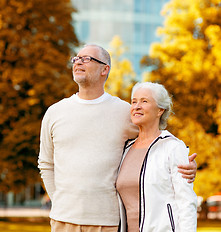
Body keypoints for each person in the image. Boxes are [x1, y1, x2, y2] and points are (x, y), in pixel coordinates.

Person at [38, 44, 197, 232]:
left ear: (105, 69)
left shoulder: (124, 112)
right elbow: (46, 164)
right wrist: (60, 201)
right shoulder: (55, 112)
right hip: (62, 220)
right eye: (76, 58)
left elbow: (154, 140)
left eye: (87, 58)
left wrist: (183, 166)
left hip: (108, 222)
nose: (78, 62)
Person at [116, 82, 197, 232]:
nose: (136, 106)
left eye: (144, 101)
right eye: (134, 101)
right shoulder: (125, 149)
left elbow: (186, 202)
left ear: (160, 109)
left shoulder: (173, 147)